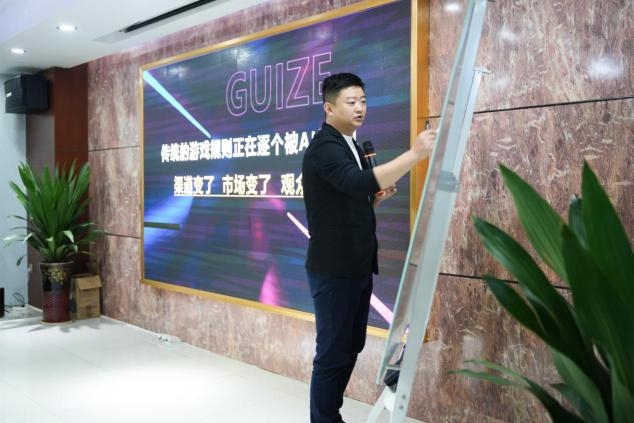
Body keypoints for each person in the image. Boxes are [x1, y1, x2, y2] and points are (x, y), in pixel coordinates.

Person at [301, 72, 436, 423]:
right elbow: (355, 181)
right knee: (332, 354)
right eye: (351, 102)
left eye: (362, 100)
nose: (360, 107)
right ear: (329, 108)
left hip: (357, 265)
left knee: (350, 348)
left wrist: (372, 201)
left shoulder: (351, 144)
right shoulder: (324, 147)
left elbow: (350, 194)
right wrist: (415, 154)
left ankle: (331, 415)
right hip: (333, 269)